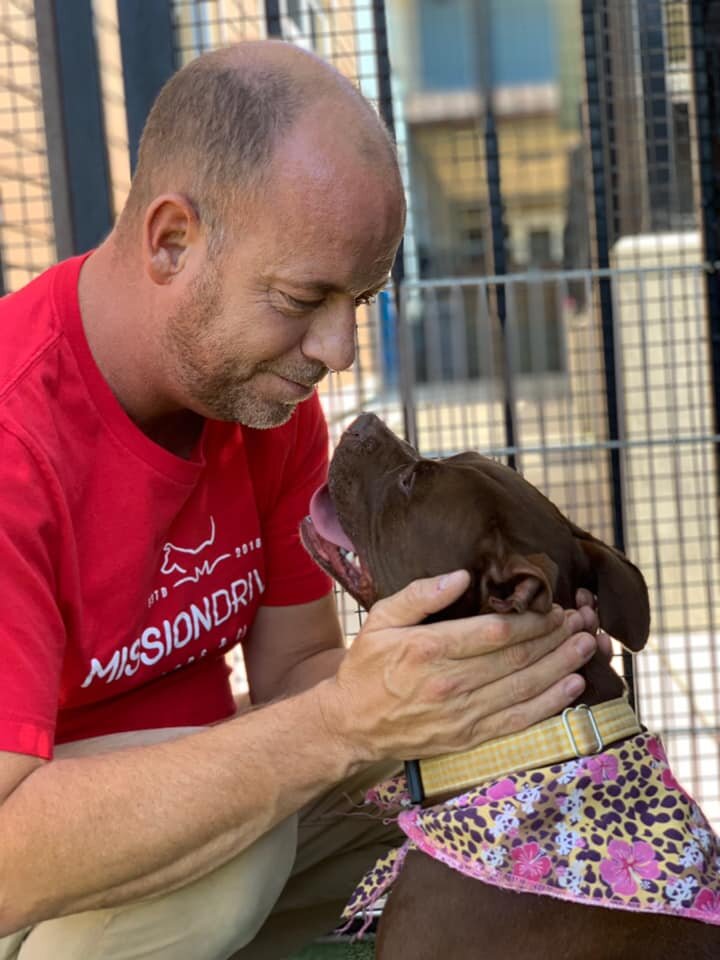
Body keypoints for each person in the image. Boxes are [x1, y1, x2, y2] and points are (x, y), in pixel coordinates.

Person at [0, 40, 601, 960]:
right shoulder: (17, 434)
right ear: (172, 241)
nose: (338, 351)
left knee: (467, 790)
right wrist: (338, 724)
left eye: (357, 301)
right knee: (226, 865)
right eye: (301, 297)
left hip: (192, 807)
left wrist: (471, 672)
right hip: (36, 869)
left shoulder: (259, 400)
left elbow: (294, 673)